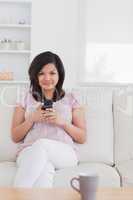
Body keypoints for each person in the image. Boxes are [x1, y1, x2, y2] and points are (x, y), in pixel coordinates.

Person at [11, 51, 86, 188]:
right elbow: (15, 136)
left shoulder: (71, 98)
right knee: (44, 169)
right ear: (35, 76)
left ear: (59, 75)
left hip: (64, 152)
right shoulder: (24, 97)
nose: (47, 78)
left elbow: (82, 137)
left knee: (42, 144)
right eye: (41, 73)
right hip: (29, 151)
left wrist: (62, 122)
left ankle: (15, 195)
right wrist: (32, 119)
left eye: (52, 73)